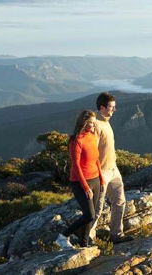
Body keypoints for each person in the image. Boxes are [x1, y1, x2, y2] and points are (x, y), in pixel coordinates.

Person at [56, 110, 105, 249]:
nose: (93, 126)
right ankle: (63, 236)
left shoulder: (92, 136)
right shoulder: (76, 140)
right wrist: (85, 187)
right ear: (83, 122)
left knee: (92, 215)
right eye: (90, 123)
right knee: (89, 215)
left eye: (94, 123)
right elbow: (76, 165)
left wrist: (101, 179)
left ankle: (84, 244)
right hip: (80, 181)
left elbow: (96, 159)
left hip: (95, 179)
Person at [89, 92, 133, 244]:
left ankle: (116, 234)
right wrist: (97, 173)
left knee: (120, 201)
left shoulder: (106, 121)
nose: (114, 110)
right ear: (102, 107)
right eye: (111, 107)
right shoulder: (95, 124)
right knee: (98, 207)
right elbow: (90, 150)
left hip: (113, 169)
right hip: (101, 172)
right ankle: (88, 237)